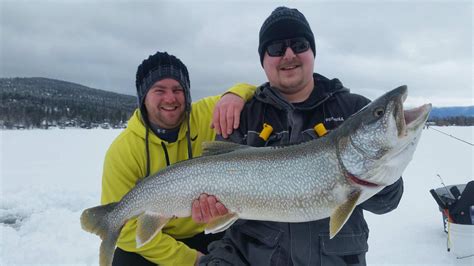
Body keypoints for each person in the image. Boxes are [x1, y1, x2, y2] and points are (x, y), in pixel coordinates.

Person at [192, 6, 404, 266]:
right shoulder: (243, 116)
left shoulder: (353, 110)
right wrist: (213, 211)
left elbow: (387, 203)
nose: (289, 54)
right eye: (276, 48)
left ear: (312, 52)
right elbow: (223, 215)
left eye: (299, 44)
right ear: (263, 60)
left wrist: (382, 170)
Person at [101, 51, 255, 266]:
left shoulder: (206, 114)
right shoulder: (122, 151)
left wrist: (234, 94)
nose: (170, 98)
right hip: (162, 240)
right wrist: (191, 260)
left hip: (214, 229)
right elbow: (126, 232)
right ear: (143, 96)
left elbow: (256, 92)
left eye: (177, 90)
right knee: (125, 260)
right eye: (159, 90)